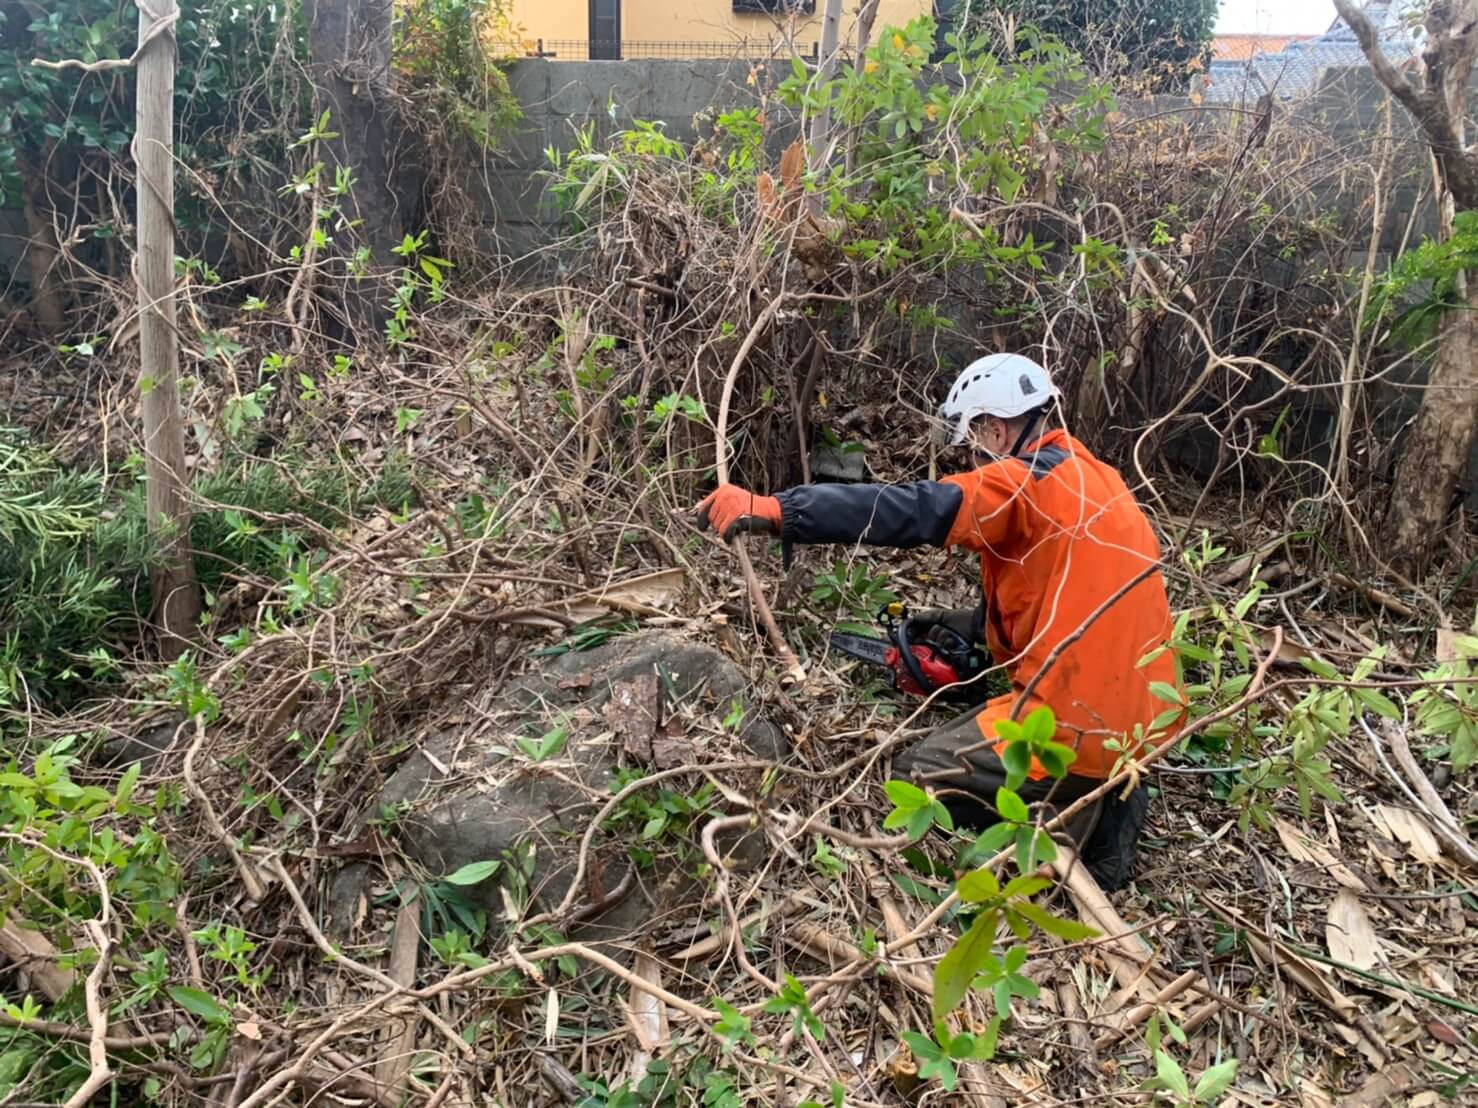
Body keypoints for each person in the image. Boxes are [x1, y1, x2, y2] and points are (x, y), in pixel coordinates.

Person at [694, 353, 1177, 889]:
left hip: (1070, 728)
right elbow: (1056, 599)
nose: (973, 458)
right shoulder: (1100, 481)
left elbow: (915, 509)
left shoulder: (1022, 483)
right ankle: (1113, 782)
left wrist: (782, 511)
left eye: (974, 441)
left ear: (995, 428)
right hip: (1145, 725)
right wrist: (965, 627)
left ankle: (1077, 822)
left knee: (914, 776)